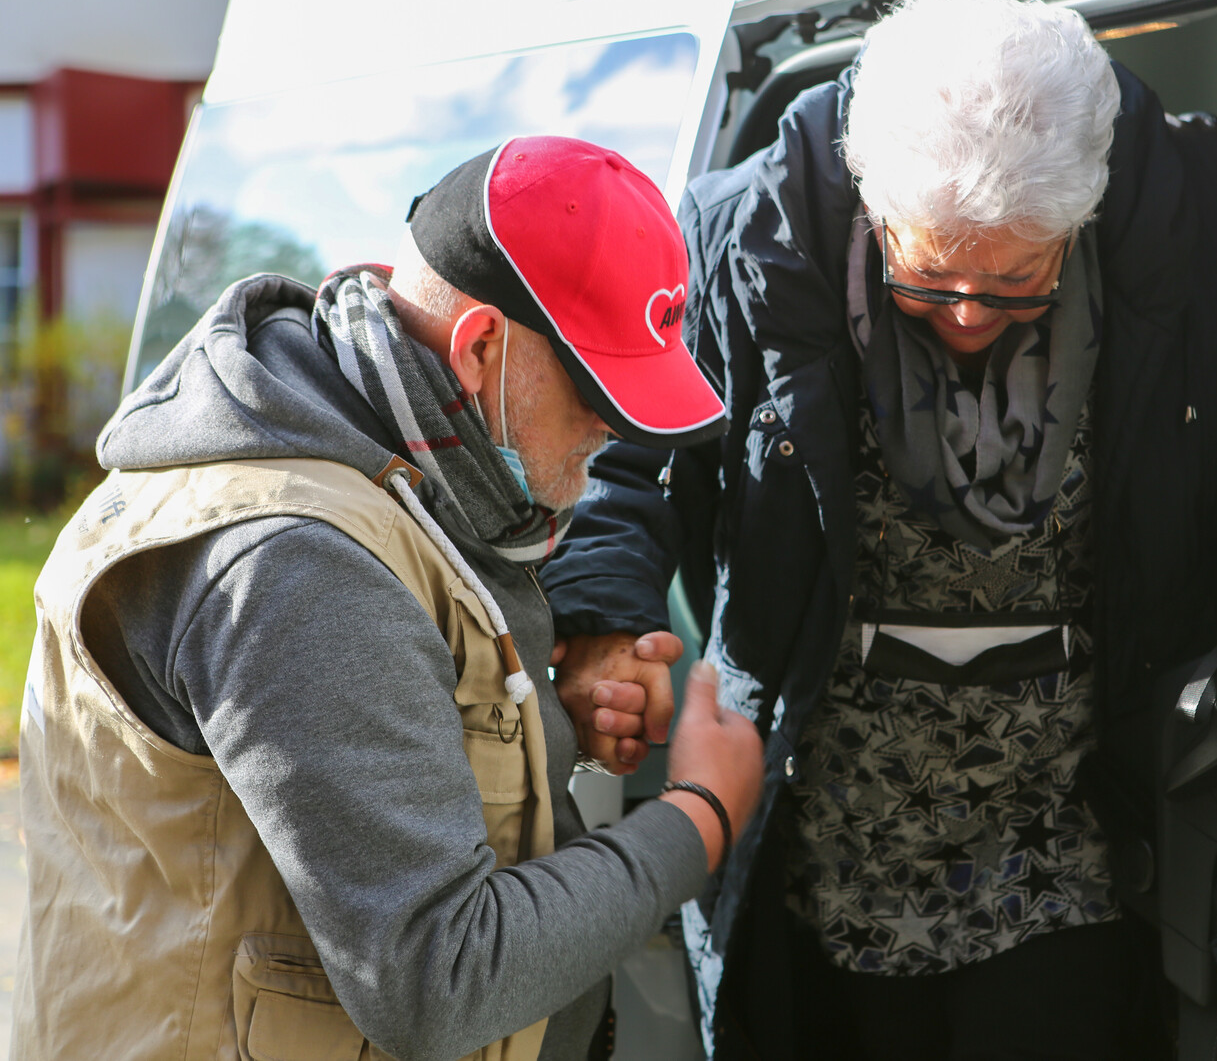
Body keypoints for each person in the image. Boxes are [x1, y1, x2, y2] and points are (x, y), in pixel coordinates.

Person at [544, 0, 1217, 1057]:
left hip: (1086, 821)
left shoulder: (1190, 202)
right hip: (827, 822)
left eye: (1018, 279)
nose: (969, 312)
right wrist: (605, 616)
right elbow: (626, 455)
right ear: (871, 200)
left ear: (1086, 208)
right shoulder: (740, 233)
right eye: (929, 276)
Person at [11, 136, 763, 1061]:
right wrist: (698, 819)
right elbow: (438, 977)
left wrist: (536, 723)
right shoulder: (296, 561)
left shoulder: (397, 468)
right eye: (596, 391)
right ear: (481, 347)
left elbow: (356, 739)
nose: (612, 428)